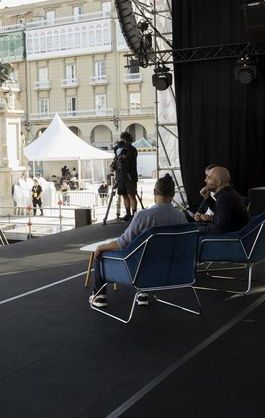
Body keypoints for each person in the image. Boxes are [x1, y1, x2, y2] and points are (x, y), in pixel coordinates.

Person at [89, 174, 186, 308]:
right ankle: (143, 293)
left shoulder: (143, 216)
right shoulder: (181, 218)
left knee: (102, 253)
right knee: (151, 252)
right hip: (170, 268)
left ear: (154, 192)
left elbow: (122, 243)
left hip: (139, 270)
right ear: (173, 194)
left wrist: (102, 247)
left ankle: (99, 296)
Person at [196, 167, 249, 234]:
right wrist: (207, 197)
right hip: (234, 233)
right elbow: (218, 211)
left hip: (228, 238)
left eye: (209, 178)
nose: (205, 180)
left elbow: (220, 229)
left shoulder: (225, 198)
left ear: (218, 182)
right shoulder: (227, 193)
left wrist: (198, 230)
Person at [113, 131, 139, 221]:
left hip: (130, 176)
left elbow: (127, 157)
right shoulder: (119, 149)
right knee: (124, 195)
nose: (122, 141)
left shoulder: (132, 149)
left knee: (131, 195)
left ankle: (134, 214)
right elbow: (117, 157)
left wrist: (124, 147)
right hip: (121, 176)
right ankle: (128, 213)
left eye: (123, 140)